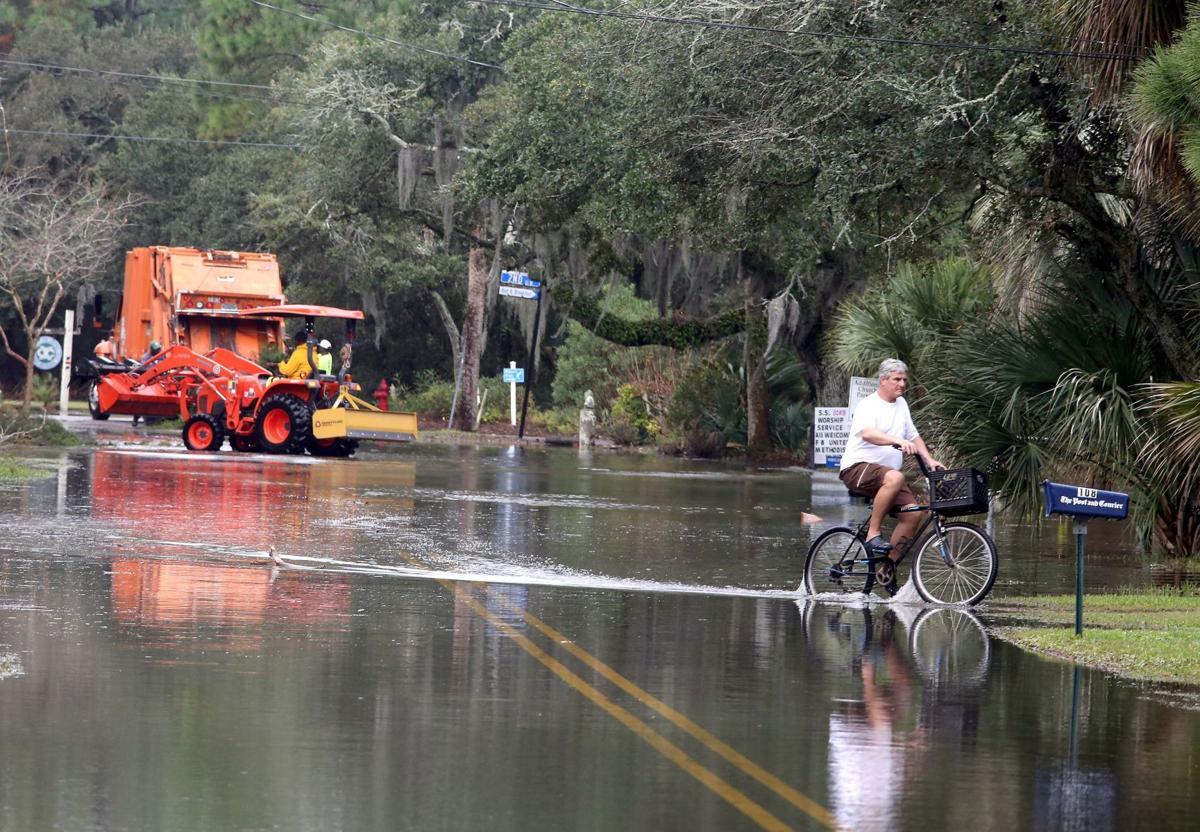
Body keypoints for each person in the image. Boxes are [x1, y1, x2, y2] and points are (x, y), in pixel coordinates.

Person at [838, 358, 943, 592]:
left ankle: (886, 567)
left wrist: (930, 459)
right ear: (883, 380)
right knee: (895, 477)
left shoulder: (902, 404)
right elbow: (868, 434)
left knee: (915, 514)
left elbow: (914, 435)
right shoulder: (869, 405)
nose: (902, 383)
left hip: (887, 477)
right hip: (858, 469)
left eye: (905, 379)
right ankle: (873, 533)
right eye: (897, 379)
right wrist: (896, 440)